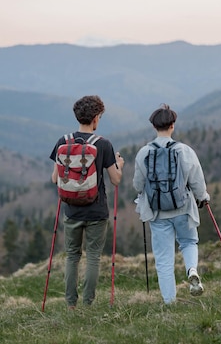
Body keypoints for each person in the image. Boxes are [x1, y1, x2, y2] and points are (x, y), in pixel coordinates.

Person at [50, 95, 125, 309]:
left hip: (71, 210)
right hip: (96, 211)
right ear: (95, 118)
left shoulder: (63, 142)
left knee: (72, 256)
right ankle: (88, 304)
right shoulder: (103, 144)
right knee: (93, 256)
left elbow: (55, 178)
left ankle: (71, 304)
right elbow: (115, 179)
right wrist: (119, 163)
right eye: (99, 116)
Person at [133, 104, 210, 304]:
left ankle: (170, 302)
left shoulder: (144, 153)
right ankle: (191, 269)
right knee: (189, 242)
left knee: (164, 259)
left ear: (154, 126)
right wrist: (203, 197)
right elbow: (197, 180)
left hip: (158, 213)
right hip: (183, 208)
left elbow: (138, 185)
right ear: (172, 125)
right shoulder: (184, 151)